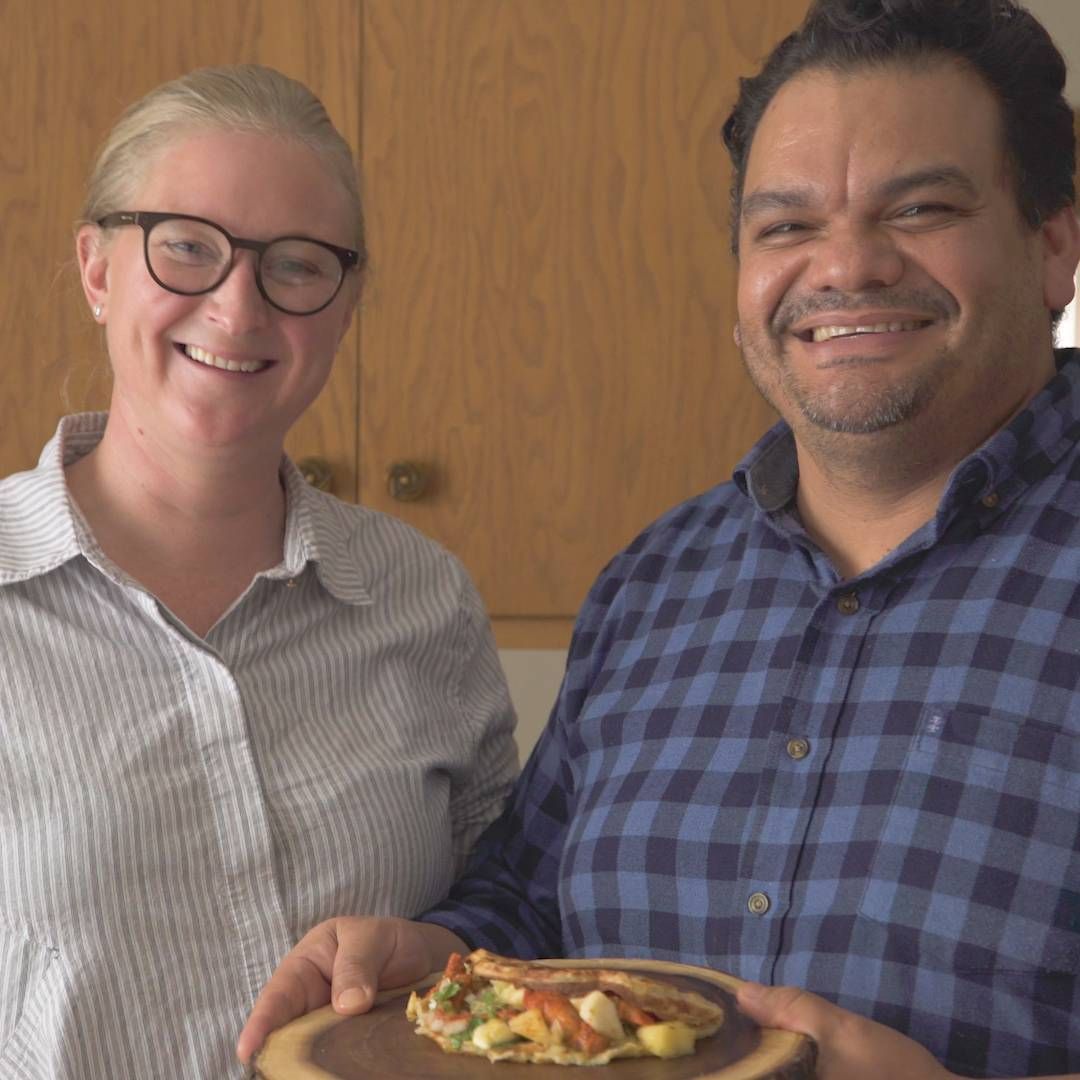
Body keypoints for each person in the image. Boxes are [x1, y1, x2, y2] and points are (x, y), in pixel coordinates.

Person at [239, 0, 1080, 1076]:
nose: (847, 267)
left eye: (918, 209)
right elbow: (534, 900)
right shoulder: (653, 588)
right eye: (786, 226)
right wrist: (441, 949)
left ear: (1054, 245)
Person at [0, 65, 518, 1078]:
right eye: (187, 248)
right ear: (98, 272)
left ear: (344, 304)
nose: (238, 308)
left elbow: (506, 933)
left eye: (295, 265)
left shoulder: (425, 597)